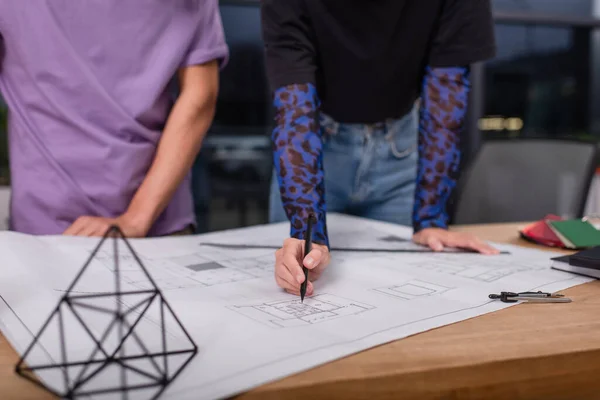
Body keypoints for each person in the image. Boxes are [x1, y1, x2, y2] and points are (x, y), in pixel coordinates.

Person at [261, 0, 500, 297]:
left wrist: (430, 217)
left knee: (405, 297)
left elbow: (445, 96)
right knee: (298, 282)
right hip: (314, 148)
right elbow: (295, 110)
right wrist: (309, 235)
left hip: (402, 157)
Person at [0, 0, 228, 237]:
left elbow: (200, 95)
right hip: (49, 224)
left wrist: (138, 217)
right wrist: (138, 217)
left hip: (151, 222)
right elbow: (200, 95)